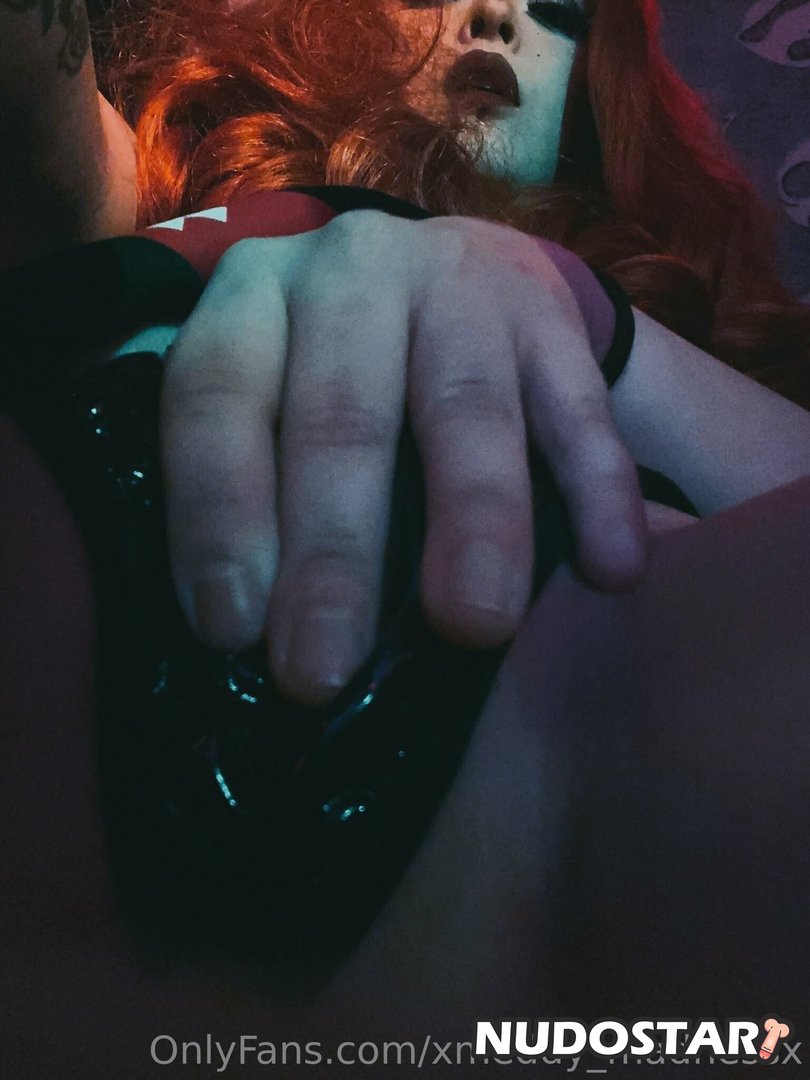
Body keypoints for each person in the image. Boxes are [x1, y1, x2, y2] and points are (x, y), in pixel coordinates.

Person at [1, 0, 809, 1075]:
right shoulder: (145, 192)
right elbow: (39, 111)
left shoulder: (716, 362)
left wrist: (588, 315)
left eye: (561, 12)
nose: (499, 16)